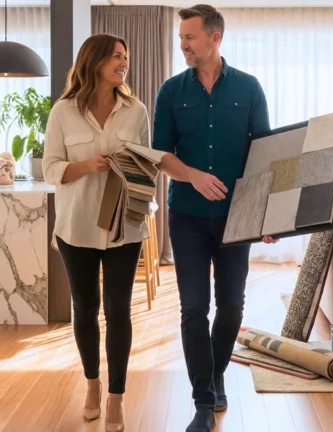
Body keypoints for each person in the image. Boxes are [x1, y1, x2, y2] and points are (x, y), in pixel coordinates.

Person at [152, 5, 276, 431]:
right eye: (181, 37)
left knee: (231, 308)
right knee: (192, 308)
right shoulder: (171, 91)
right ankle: (203, 401)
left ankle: (216, 371)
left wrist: (266, 215)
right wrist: (193, 176)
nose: (182, 45)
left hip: (236, 218)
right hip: (186, 216)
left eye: (189, 37)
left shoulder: (249, 88)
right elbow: (161, 154)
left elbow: (264, 156)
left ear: (214, 38)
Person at [42, 33, 151, 432]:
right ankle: (92, 384)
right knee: (85, 310)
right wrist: (87, 166)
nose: (124, 62)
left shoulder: (136, 110)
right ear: (96, 60)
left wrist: (134, 172)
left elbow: (146, 166)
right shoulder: (63, 112)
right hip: (77, 227)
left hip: (125, 227)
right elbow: (50, 168)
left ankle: (116, 398)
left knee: (119, 311)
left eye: (126, 55)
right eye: (116, 56)